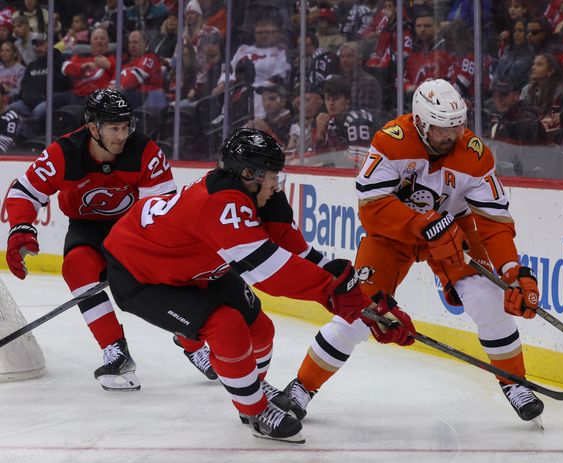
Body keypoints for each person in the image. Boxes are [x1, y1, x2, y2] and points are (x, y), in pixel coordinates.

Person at [101, 128, 414, 442]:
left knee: (261, 329)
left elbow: (303, 256)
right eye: (272, 175)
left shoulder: (260, 196)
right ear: (248, 173)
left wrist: (369, 305)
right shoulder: (221, 202)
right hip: (140, 274)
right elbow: (268, 271)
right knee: (226, 326)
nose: (277, 184)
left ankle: (250, 387)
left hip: (194, 269)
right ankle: (255, 410)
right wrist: (337, 296)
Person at [277, 79, 545, 424]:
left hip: (453, 234)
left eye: (458, 126)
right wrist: (420, 224)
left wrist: (512, 271)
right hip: (391, 237)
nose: (452, 135)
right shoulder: (390, 141)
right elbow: (372, 206)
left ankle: (515, 384)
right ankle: (302, 387)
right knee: (360, 312)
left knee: (488, 298)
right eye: (442, 128)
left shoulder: (475, 154)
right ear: (420, 122)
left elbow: (493, 222)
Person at [4, 89, 180, 392]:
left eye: (126, 127)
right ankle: (116, 350)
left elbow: (161, 209)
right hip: (86, 227)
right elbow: (25, 192)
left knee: (155, 283)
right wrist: (20, 226)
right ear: (93, 127)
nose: (122, 135)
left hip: (131, 229)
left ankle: (192, 341)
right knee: (76, 267)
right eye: (114, 128)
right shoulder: (65, 152)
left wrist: (146, 250)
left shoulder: (145, 152)